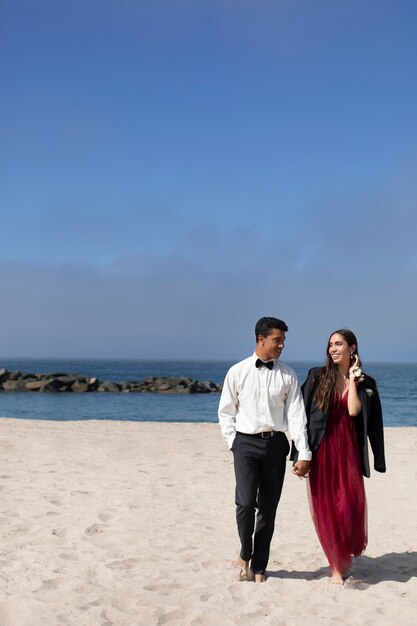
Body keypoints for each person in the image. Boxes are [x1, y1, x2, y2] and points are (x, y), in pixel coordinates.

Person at [218, 316, 311, 583]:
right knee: (246, 503)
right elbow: (226, 412)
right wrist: (232, 442)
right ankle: (245, 552)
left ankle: (259, 566)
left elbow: (296, 417)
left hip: (275, 445)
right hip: (244, 444)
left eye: (283, 340)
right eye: (277, 340)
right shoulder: (237, 371)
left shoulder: (288, 376)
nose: (282, 345)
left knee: (268, 508)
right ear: (261, 339)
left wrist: (303, 452)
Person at [291, 328, 386, 584]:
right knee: (327, 508)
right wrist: (300, 454)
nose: (333, 349)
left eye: (339, 344)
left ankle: (343, 556)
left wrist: (354, 379)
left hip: (349, 452)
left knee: (349, 506)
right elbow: (299, 415)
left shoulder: (366, 383)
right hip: (321, 450)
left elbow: (356, 412)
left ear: (352, 349)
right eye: (330, 344)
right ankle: (335, 567)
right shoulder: (316, 376)